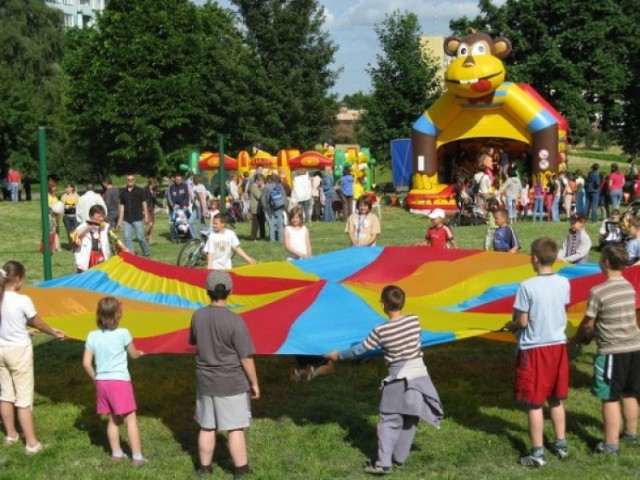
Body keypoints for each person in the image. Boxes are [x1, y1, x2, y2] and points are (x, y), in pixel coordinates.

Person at [327, 285, 444, 475]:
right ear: (402, 302)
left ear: (382, 304)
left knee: (389, 420)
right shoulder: (415, 320)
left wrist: (338, 355)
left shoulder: (381, 330)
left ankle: (383, 463)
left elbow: (360, 350)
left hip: (399, 379)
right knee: (410, 417)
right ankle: (399, 458)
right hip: (421, 378)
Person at [503, 237, 570, 467]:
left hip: (534, 349)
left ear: (533, 258)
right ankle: (561, 444)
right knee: (556, 398)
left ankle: (537, 453)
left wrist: (510, 325)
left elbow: (522, 321)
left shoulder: (527, 286)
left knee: (534, 403)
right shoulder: (564, 283)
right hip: (558, 346)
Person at [570, 244, 640, 455]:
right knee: (629, 392)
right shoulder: (629, 287)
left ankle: (610, 445)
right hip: (635, 348)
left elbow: (588, 323)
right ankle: (630, 434)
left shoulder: (598, 291)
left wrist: (578, 338)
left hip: (613, 351)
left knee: (609, 397)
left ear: (606, 263)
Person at [190, 270, 260, 477]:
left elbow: (194, 341)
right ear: (230, 291)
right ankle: (241, 469)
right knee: (235, 428)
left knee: (207, 426)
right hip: (231, 382)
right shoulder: (235, 321)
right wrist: (254, 382)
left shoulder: (198, 316)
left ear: (207, 291)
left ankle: (205, 467)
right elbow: (245, 357)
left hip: (205, 382)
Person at [0, 261, 65, 454]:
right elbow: (37, 321)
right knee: (23, 399)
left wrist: (25, 332)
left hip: (1, 350)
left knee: (5, 395)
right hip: (19, 352)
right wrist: (53, 332)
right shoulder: (22, 300)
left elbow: (8, 325)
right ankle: (31, 443)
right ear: (18, 278)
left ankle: (11, 434)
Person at [82, 296, 146, 466]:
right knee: (130, 419)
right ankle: (137, 457)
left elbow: (86, 363)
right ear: (118, 314)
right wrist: (139, 353)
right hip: (119, 382)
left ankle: (116, 453)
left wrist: (95, 378)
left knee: (113, 419)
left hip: (102, 382)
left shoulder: (92, 336)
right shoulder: (123, 333)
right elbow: (133, 354)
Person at [72, 205, 128, 273]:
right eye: (99, 216)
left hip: (101, 257)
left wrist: (124, 249)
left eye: (103, 216)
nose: (101, 219)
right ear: (91, 216)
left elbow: (115, 239)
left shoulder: (106, 227)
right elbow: (74, 236)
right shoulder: (83, 226)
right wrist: (88, 228)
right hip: (87, 258)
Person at [118, 174, 151, 257]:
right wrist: (120, 220)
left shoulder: (140, 190)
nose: (130, 181)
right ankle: (132, 255)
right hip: (126, 219)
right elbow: (122, 207)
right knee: (126, 238)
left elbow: (144, 204)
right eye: (129, 179)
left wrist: (146, 216)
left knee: (140, 237)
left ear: (135, 180)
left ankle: (146, 251)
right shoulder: (122, 192)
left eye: (132, 179)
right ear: (126, 181)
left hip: (137, 218)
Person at [261, 174, 286, 242]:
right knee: (280, 222)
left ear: (270, 179)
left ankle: (272, 239)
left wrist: (264, 208)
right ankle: (281, 238)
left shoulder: (267, 187)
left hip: (271, 207)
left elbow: (263, 199)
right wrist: (284, 206)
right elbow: (284, 196)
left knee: (271, 223)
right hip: (280, 206)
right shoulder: (280, 185)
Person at [249, 174, 266, 241]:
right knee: (255, 224)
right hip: (256, 209)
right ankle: (253, 237)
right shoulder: (254, 188)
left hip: (259, 208)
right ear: (257, 181)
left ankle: (262, 236)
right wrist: (262, 188)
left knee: (262, 222)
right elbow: (260, 197)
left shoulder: (256, 187)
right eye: (261, 181)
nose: (262, 182)